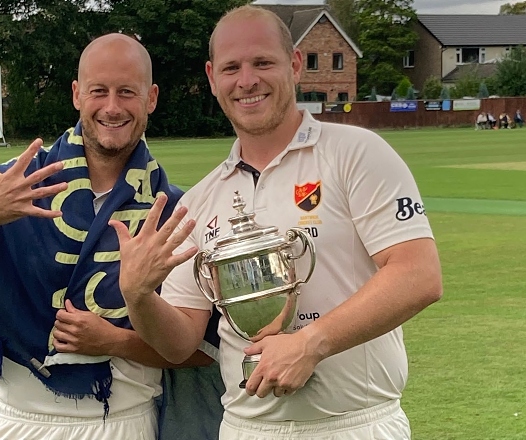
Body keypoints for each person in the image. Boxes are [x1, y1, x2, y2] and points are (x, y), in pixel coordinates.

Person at [109, 5, 443, 440]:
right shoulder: (200, 200)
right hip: (247, 428)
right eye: (232, 67)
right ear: (212, 78)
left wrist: (312, 342)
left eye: (262, 62)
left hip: (354, 425)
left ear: (295, 64)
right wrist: (137, 295)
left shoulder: (356, 153)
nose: (247, 80)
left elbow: (419, 275)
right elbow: (179, 343)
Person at [0, 33, 223, 440]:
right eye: (99, 91)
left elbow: (200, 349)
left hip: (124, 423)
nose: (112, 107)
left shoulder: (177, 211)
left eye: (127, 92)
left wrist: (115, 341)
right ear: (76, 94)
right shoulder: (10, 186)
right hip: (17, 419)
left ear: (151, 98)